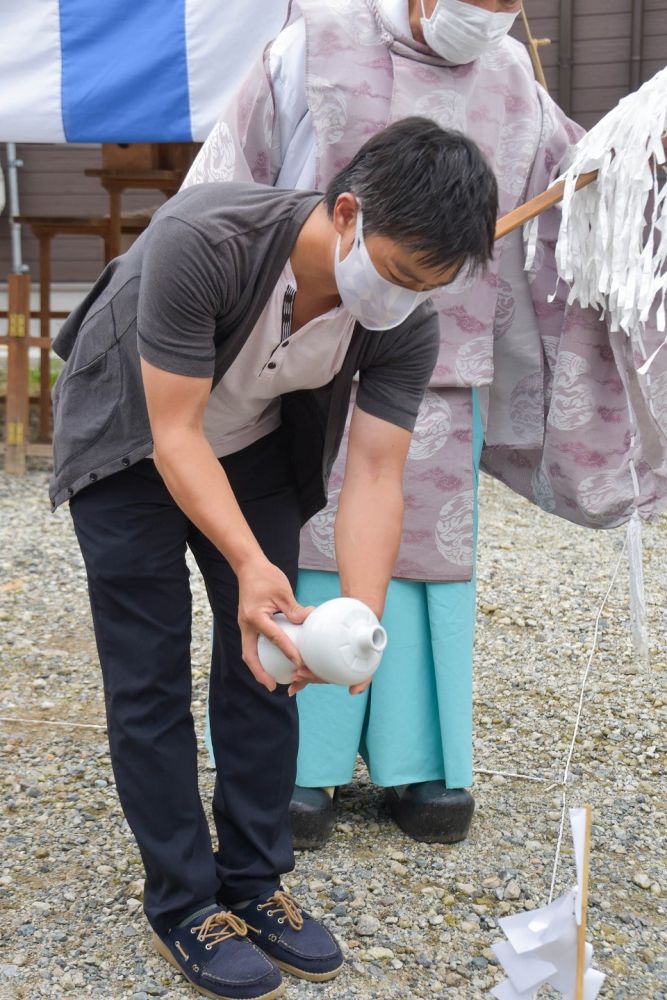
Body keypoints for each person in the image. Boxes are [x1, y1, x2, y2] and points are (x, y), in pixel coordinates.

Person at [188, 0, 667, 850]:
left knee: (430, 566)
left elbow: (575, 183)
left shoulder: (513, 76)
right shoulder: (312, 48)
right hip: (314, 344)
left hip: (443, 357)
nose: (489, 12)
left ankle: (425, 765)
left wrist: (638, 165)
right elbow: (229, 187)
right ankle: (298, 765)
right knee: (309, 540)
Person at [49, 119, 497, 1000]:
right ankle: (183, 902)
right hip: (131, 437)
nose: (403, 301)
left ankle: (255, 884)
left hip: (250, 446)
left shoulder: (401, 319)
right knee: (148, 673)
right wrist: (251, 564)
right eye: (400, 274)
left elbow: (374, 472)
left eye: (426, 288)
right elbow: (173, 433)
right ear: (345, 214)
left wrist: (355, 625)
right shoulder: (203, 240)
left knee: (271, 660)